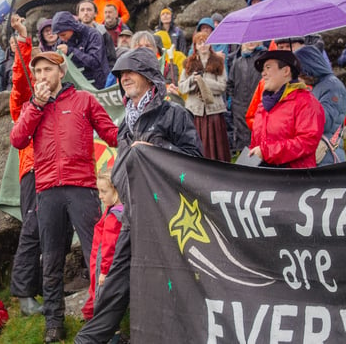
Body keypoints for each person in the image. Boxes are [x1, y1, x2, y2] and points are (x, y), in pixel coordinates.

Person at [75, 48, 202, 344]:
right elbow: (121, 165)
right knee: (117, 281)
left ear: (148, 77)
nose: (124, 78)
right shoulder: (125, 123)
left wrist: (156, 152)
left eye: (130, 72)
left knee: (170, 282)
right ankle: (89, 340)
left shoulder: (174, 114)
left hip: (168, 217)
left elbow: (196, 160)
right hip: (134, 214)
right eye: (120, 74)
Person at [10, 51, 118, 343]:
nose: (42, 76)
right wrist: (36, 105)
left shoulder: (84, 100)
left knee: (94, 255)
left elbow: (112, 134)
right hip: (46, 191)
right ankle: (54, 324)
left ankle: (104, 323)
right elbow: (17, 139)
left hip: (82, 187)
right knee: (52, 260)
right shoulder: (34, 106)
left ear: (61, 71)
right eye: (38, 72)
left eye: (47, 69)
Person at [8, 16, 43, 316]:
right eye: (38, 72)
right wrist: (23, 40)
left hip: (57, 171)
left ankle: (45, 286)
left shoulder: (59, 98)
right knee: (32, 227)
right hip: (32, 169)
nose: (42, 78)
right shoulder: (23, 102)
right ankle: (24, 295)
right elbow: (21, 81)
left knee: (53, 228)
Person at [249, 50, 324, 168]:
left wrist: (267, 152)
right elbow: (256, 143)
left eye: (268, 67)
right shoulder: (263, 104)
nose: (263, 73)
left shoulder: (306, 102)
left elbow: (307, 142)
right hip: (264, 176)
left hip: (294, 178)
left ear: (286, 71)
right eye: (263, 69)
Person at [179, 32, 231, 161]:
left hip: (214, 111)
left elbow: (222, 86)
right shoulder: (188, 63)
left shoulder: (218, 62)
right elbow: (181, 87)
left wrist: (204, 82)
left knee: (216, 146)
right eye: (199, 43)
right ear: (195, 46)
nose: (203, 45)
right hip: (195, 111)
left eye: (205, 42)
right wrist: (192, 80)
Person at [295, 46, 346, 165]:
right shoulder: (319, 86)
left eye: (302, 73)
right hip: (322, 153)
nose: (300, 77)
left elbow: (324, 122)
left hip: (328, 155)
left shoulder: (332, 86)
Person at [81, 171, 123, 321]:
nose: (100, 196)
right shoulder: (113, 214)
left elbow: (108, 247)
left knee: (99, 294)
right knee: (100, 294)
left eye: (104, 191)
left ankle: (93, 319)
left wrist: (104, 271)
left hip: (100, 261)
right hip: (99, 261)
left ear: (116, 190)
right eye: (99, 191)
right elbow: (108, 247)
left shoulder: (114, 214)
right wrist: (103, 271)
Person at [51, 11, 110, 89]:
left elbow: (95, 62)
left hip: (97, 85)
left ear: (71, 28)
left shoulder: (92, 35)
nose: (61, 38)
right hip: (76, 86)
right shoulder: (61, 41)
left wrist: (70, 51)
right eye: (58, 36)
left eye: (63, 35)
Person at [227, 41, 265, 152]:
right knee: (242, 138)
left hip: (259, 105)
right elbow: (230, 84)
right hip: (239, 106)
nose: (251, 43)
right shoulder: (238, 62)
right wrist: (234, 101)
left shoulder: (264, 59)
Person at [77, 0, 117, 68]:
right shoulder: (73, 34)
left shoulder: (103, 33)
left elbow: (111, 59)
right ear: (78, 15)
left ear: (95, 14)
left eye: (89, 10)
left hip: (100, 74)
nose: (85, 13)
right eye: (82, 10)